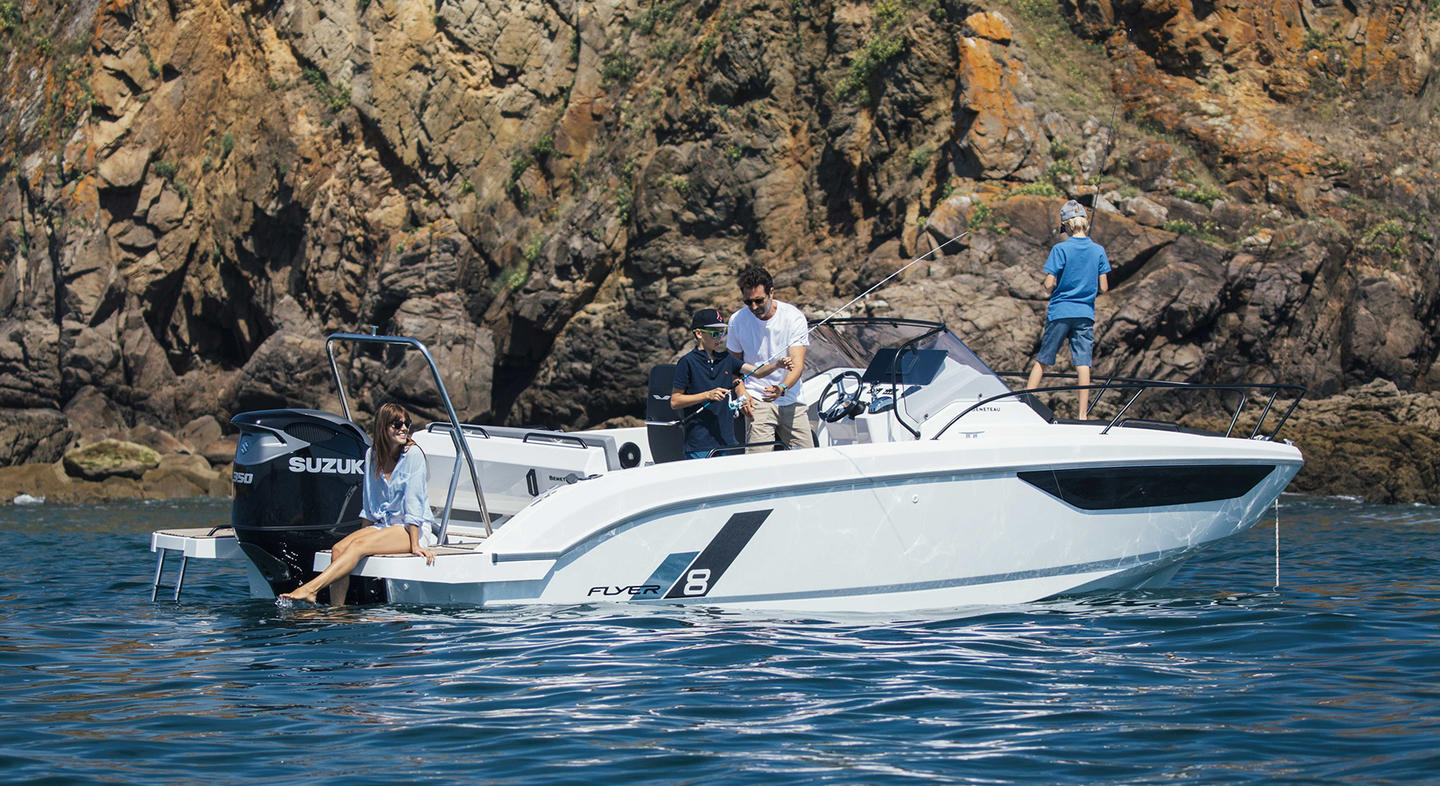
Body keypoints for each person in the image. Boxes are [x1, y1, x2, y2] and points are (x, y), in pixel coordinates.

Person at [280, 402, 437, 605]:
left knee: (358, 547)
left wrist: (416, 544)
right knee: (339, 548)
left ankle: (311, 589)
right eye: (397, 424)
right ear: (383, 426)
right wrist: (363, 534)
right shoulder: (372, 455)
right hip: (385, 526)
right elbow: (369, 505)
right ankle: (337, 611)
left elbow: (414, 502)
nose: (404, 428)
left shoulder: (413, 455)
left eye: (407, 423)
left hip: (412, 528)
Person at [1025, 199, 1111, 420]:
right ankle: (1083, 415)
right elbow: (1104, 287)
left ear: (1066, 225)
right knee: (1083, 364)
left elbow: (1048, 284)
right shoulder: (1099, 250)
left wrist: (1052, 285)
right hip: (1085, 314)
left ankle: (1025, 406)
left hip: (1061, 311)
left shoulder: (1060, 249)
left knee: (1043, 360)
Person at [727, 266, 811, 451]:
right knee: (759, 461)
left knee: (808, 458)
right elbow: (732, 367)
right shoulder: (737, 321)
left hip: (791, 397)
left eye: (759, 301)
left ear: (771, 292)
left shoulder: (793, 317)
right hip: (756, 398)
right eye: (748, 302)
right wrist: (741, 393)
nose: (754, 307)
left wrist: (781, 388)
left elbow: (797, 365)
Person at [670, 309, 754, 459]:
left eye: (721, 333)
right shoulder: (687, 362)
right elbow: (675, 401)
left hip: (726, 442)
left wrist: (777, 365)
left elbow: (758, 371)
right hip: (699, 445)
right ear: (699, 333)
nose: (719, 338)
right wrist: (707, 395)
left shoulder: (726, 359)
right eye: (715, 333)